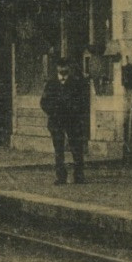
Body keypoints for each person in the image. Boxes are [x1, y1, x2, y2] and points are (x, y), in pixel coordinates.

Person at [40, 56, 91, 185]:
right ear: (57, 68)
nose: (63, 69)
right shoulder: (51, 84)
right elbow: (44, 102)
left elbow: (83, 102)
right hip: (56, 122)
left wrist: (75, 112)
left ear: (69, 68)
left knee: (77, 149)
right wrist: (54, 111)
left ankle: (79, 176)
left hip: (72, 121)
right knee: (58, 150)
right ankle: (61, 177)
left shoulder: (76, 83)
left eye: (65, 66)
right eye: (60, 66)